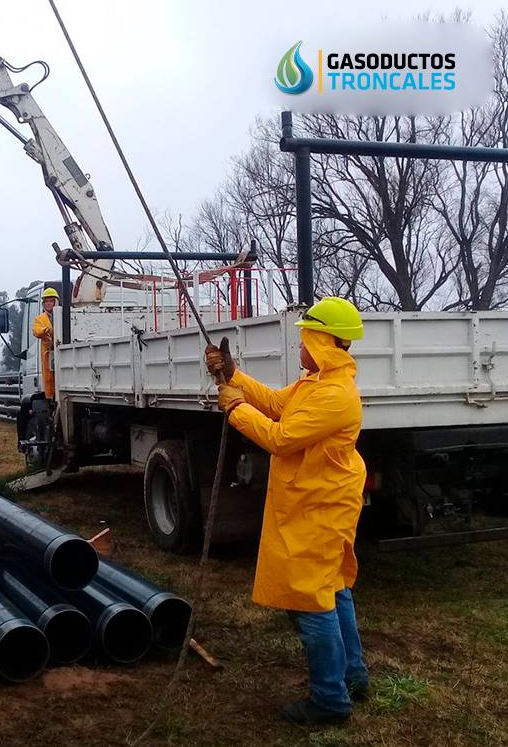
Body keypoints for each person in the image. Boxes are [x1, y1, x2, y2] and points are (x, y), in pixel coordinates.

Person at [205, 296, 370, 725]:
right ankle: (353, 676)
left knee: (311, 601)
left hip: (321, 507)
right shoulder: (317, 383)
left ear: (322, 343)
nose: (299, 346)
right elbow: (277, 403)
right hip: (317, 501)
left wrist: (235, 408)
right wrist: (234, 374)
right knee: (334, 589)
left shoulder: (334, 395)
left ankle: (330, 701)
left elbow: (280, 438)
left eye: (305, 339)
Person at [32, 287, 60, 401]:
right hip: (49, 353)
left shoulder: (63, 314)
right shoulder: (39, 319)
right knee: (49, 377)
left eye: (51, 301)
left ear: (56, 302)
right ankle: (51, 398)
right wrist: (45, 330)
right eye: (46, 301)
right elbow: (36, 331)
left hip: (62, 351)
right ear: (43, 304)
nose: (49, 304)